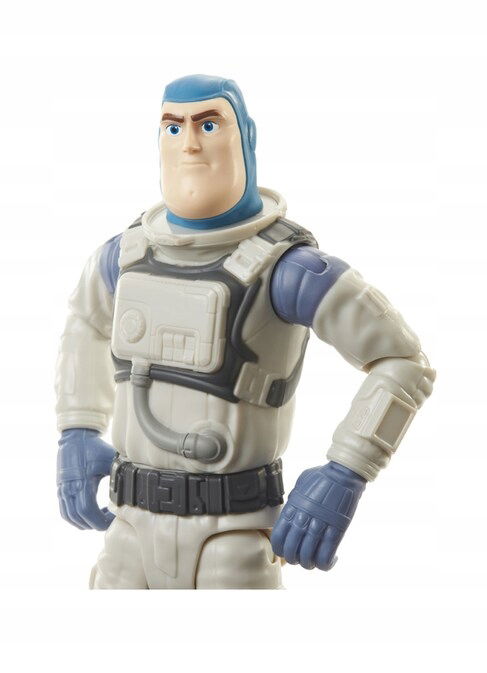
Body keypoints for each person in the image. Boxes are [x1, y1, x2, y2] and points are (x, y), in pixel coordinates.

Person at [55, 74, 435, 589]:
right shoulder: (122, 256)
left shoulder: (291, 271)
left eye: (208, 125)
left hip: (232, 534)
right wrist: (77, 430)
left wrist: (345, 471)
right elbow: (84, 324)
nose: (189, 144)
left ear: (246, 137)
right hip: (129, 527)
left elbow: (403, 360)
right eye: (173, 127)